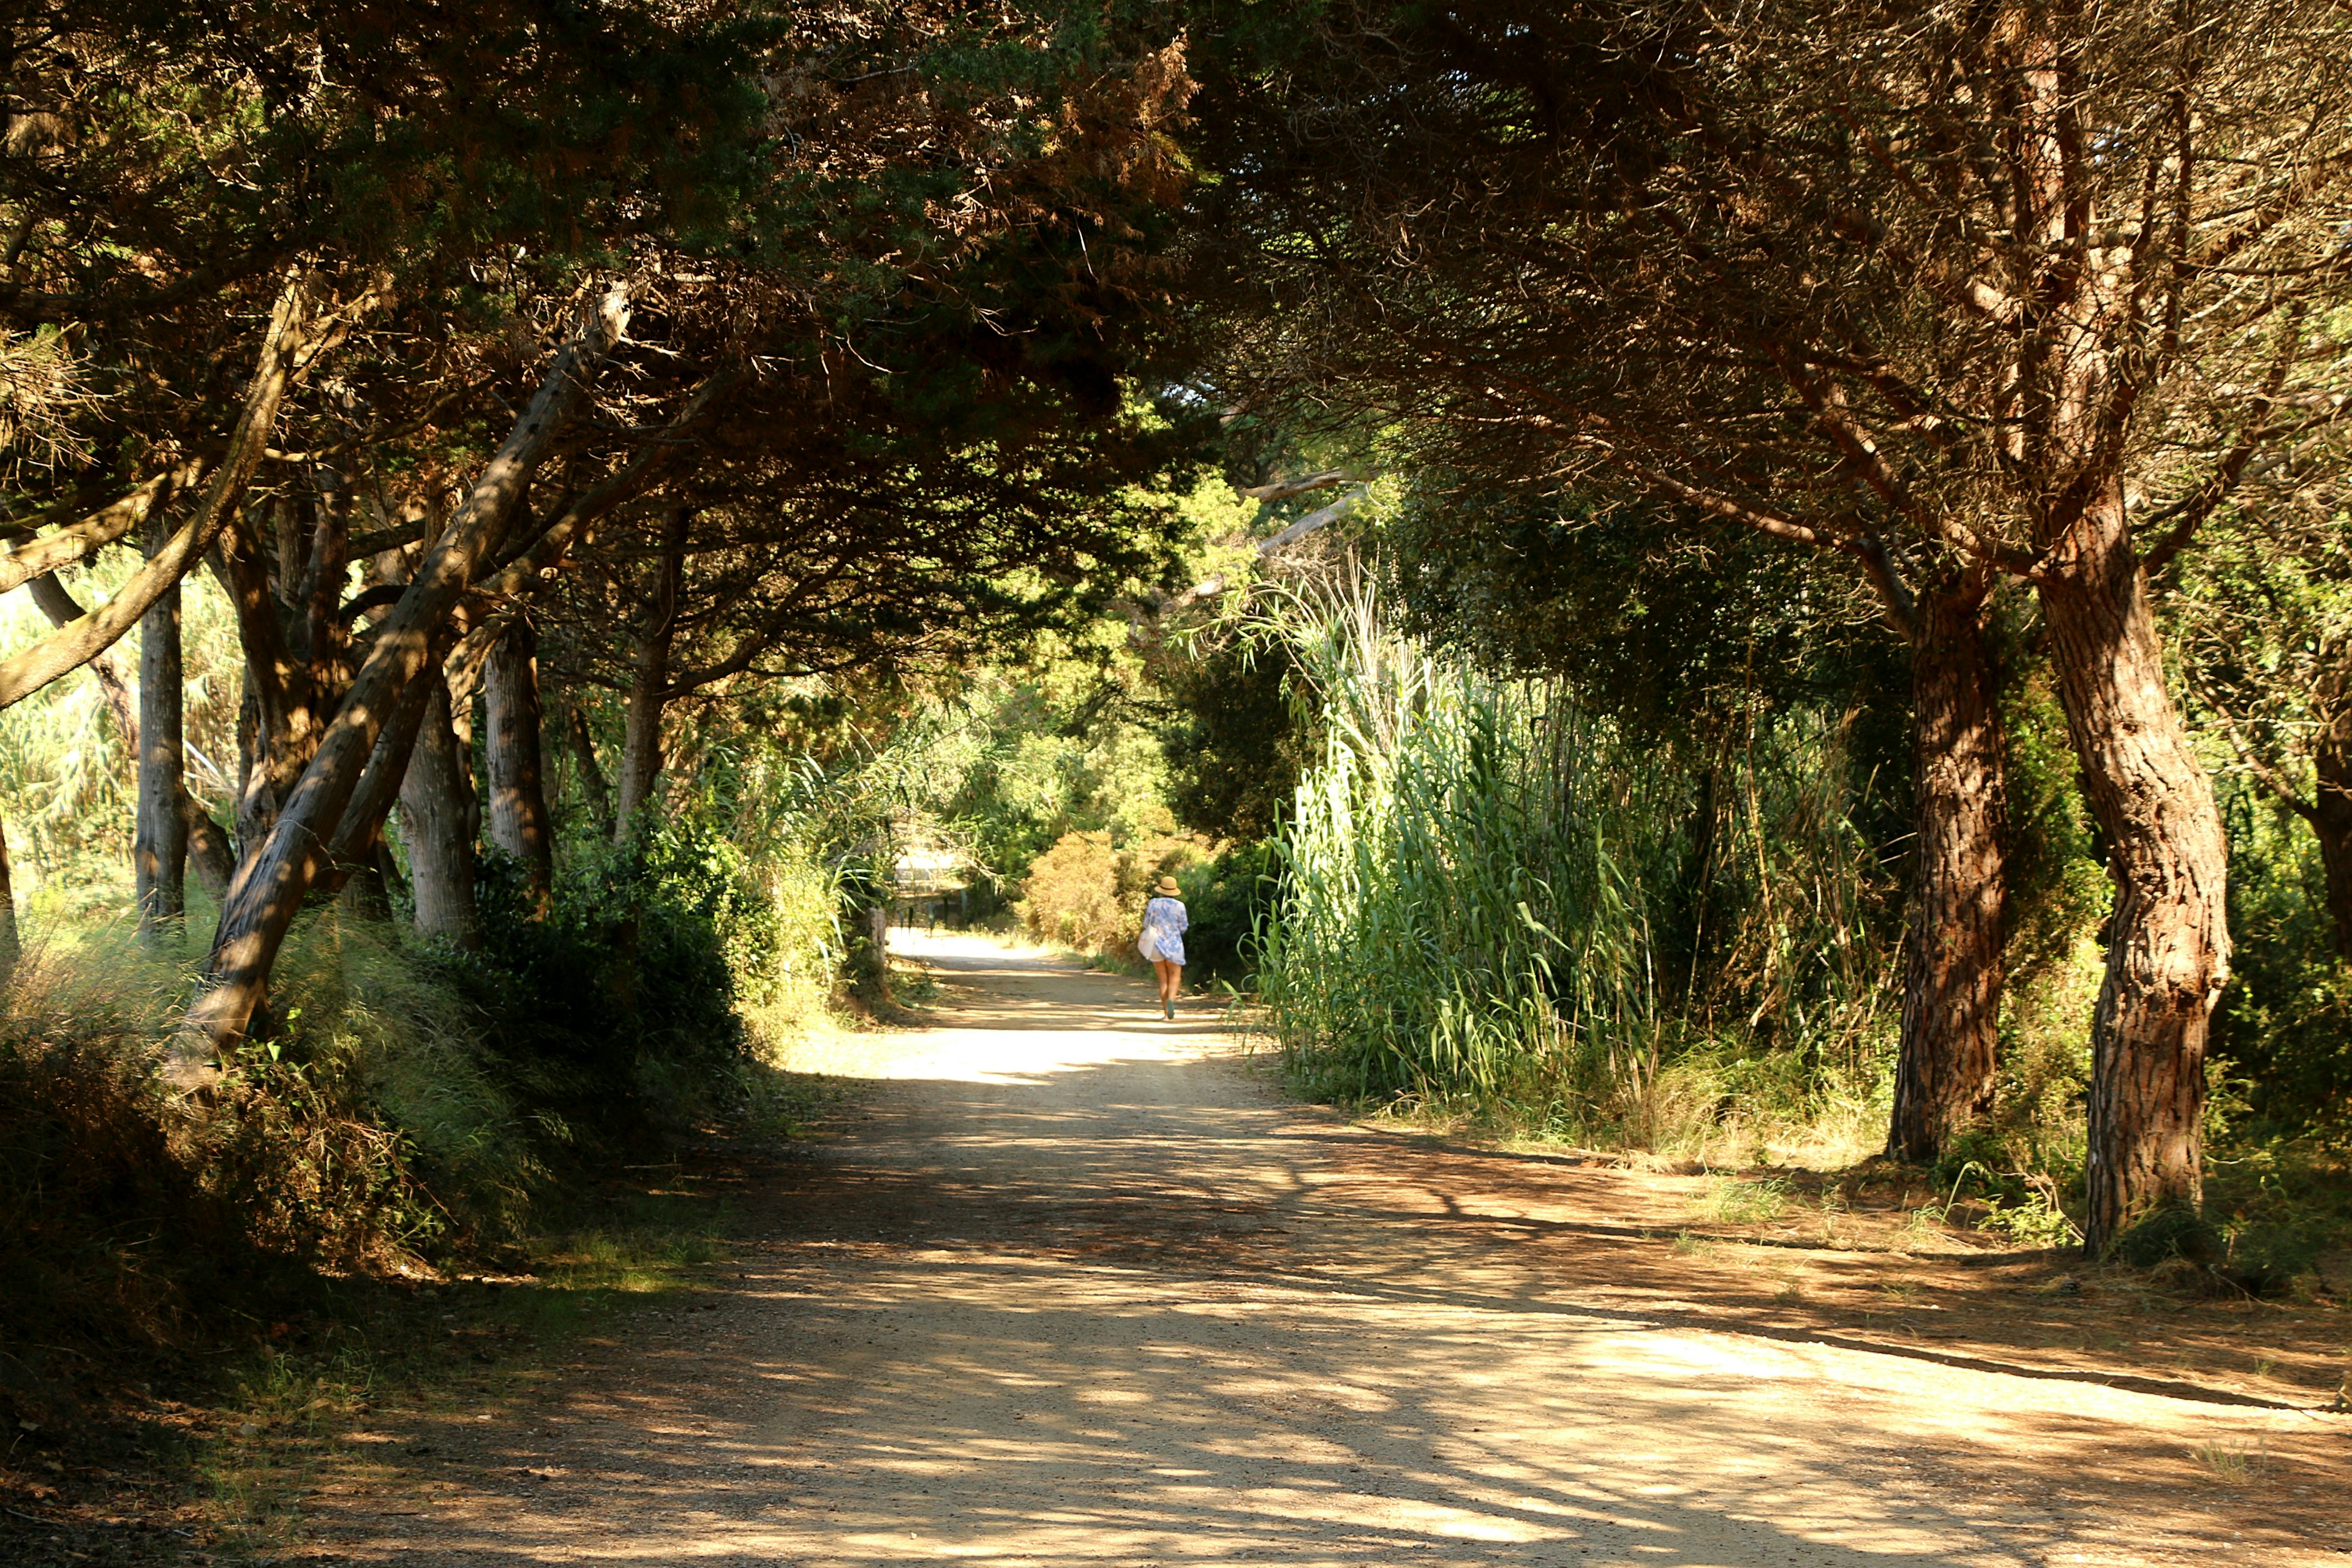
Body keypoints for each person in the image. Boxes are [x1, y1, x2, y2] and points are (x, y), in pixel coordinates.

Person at [1137, 875, 1189, 1020]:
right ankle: (1171, 1001)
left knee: (1163, 980)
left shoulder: (1153, 903)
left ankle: (1166, 1013)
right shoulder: (1180, 906)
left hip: (1155, 944)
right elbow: (1184, 927)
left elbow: (1146, 923)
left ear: (1161, 889)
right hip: (1174, 945)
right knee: (1175, 977)